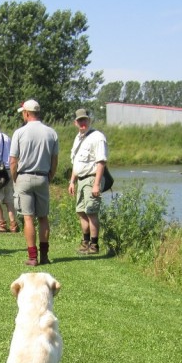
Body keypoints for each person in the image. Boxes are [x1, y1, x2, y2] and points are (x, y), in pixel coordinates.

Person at [9, 99, 58, 266]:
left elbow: (13, 160)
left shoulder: (19, 133)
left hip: (24, 176)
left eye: (23, 112)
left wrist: (15, 178)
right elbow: (54, 159)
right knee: (43, 218)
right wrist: (50, 176)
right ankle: (44, 256)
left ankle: (32, 257)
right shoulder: (51, 133)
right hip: (43, 176)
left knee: (28, 218)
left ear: (27, 113)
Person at [67, 108, 109, 255]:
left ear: (89, 120)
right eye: (80, 121)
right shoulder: (78, 138)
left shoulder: (97, 137)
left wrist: (96, 184)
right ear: (75, 123)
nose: (82, 123)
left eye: (84, 120)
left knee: (91, 212)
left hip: (91, 178)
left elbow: (101, 162)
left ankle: (94, 245)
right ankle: (85, 242)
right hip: (80, 179)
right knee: (81, 212)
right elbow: (76, 163)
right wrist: (72, 181)